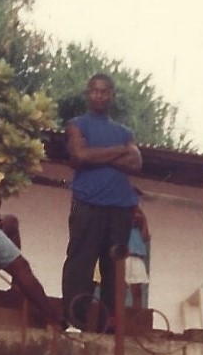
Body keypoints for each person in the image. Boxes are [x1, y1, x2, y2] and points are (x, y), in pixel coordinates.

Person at [61, 74, 143, 333]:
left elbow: (136, 164)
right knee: (80, 265)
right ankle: (75, 322)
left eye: (105, 91)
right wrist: (118, 150)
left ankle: (110, 327)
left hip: (120, 208)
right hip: (88, 204)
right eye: (95, 91)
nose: (100, 95)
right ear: (88, 93)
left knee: (114, 270)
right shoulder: (77, 124)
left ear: (112, 95)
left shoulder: (124, 131)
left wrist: (96, 154)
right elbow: (79, 155)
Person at [123, 207, 151, 316]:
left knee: (137, 290)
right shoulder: (122, 226)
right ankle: (119, 314)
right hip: (124, 258)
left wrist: (143, 219)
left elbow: (145, 236)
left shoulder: (139, 230)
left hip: (137, 259)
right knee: (121, 289)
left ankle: (136, 316)